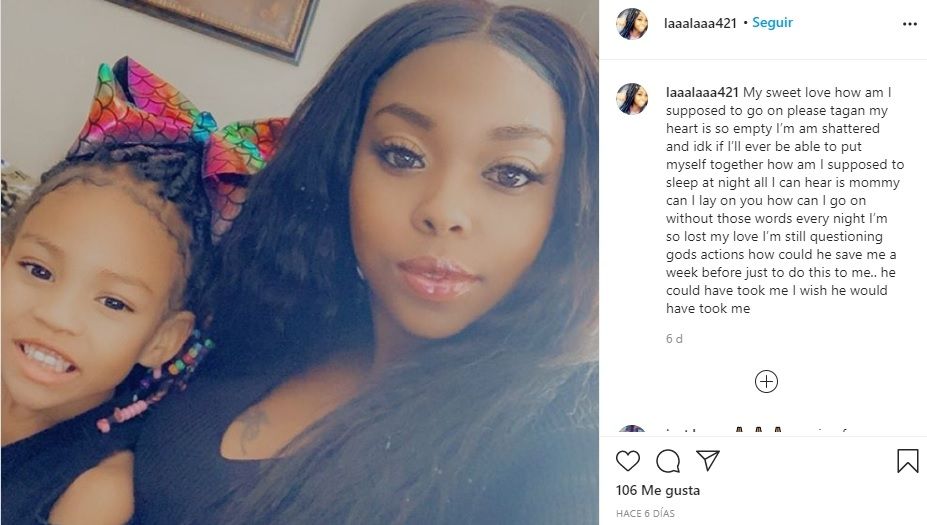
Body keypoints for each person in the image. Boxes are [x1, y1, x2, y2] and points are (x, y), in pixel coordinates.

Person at [132, 1, 599, 523]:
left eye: (511, 173)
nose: (443, 210)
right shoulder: (283, 324)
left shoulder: (574, 419)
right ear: (343, 165)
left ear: (572, 203)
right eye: (403, 155)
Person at [1, 56, 283, 524]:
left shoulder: (96, 493)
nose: (56, 316)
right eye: (39, 270)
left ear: (162, 340)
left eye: (114, 302)